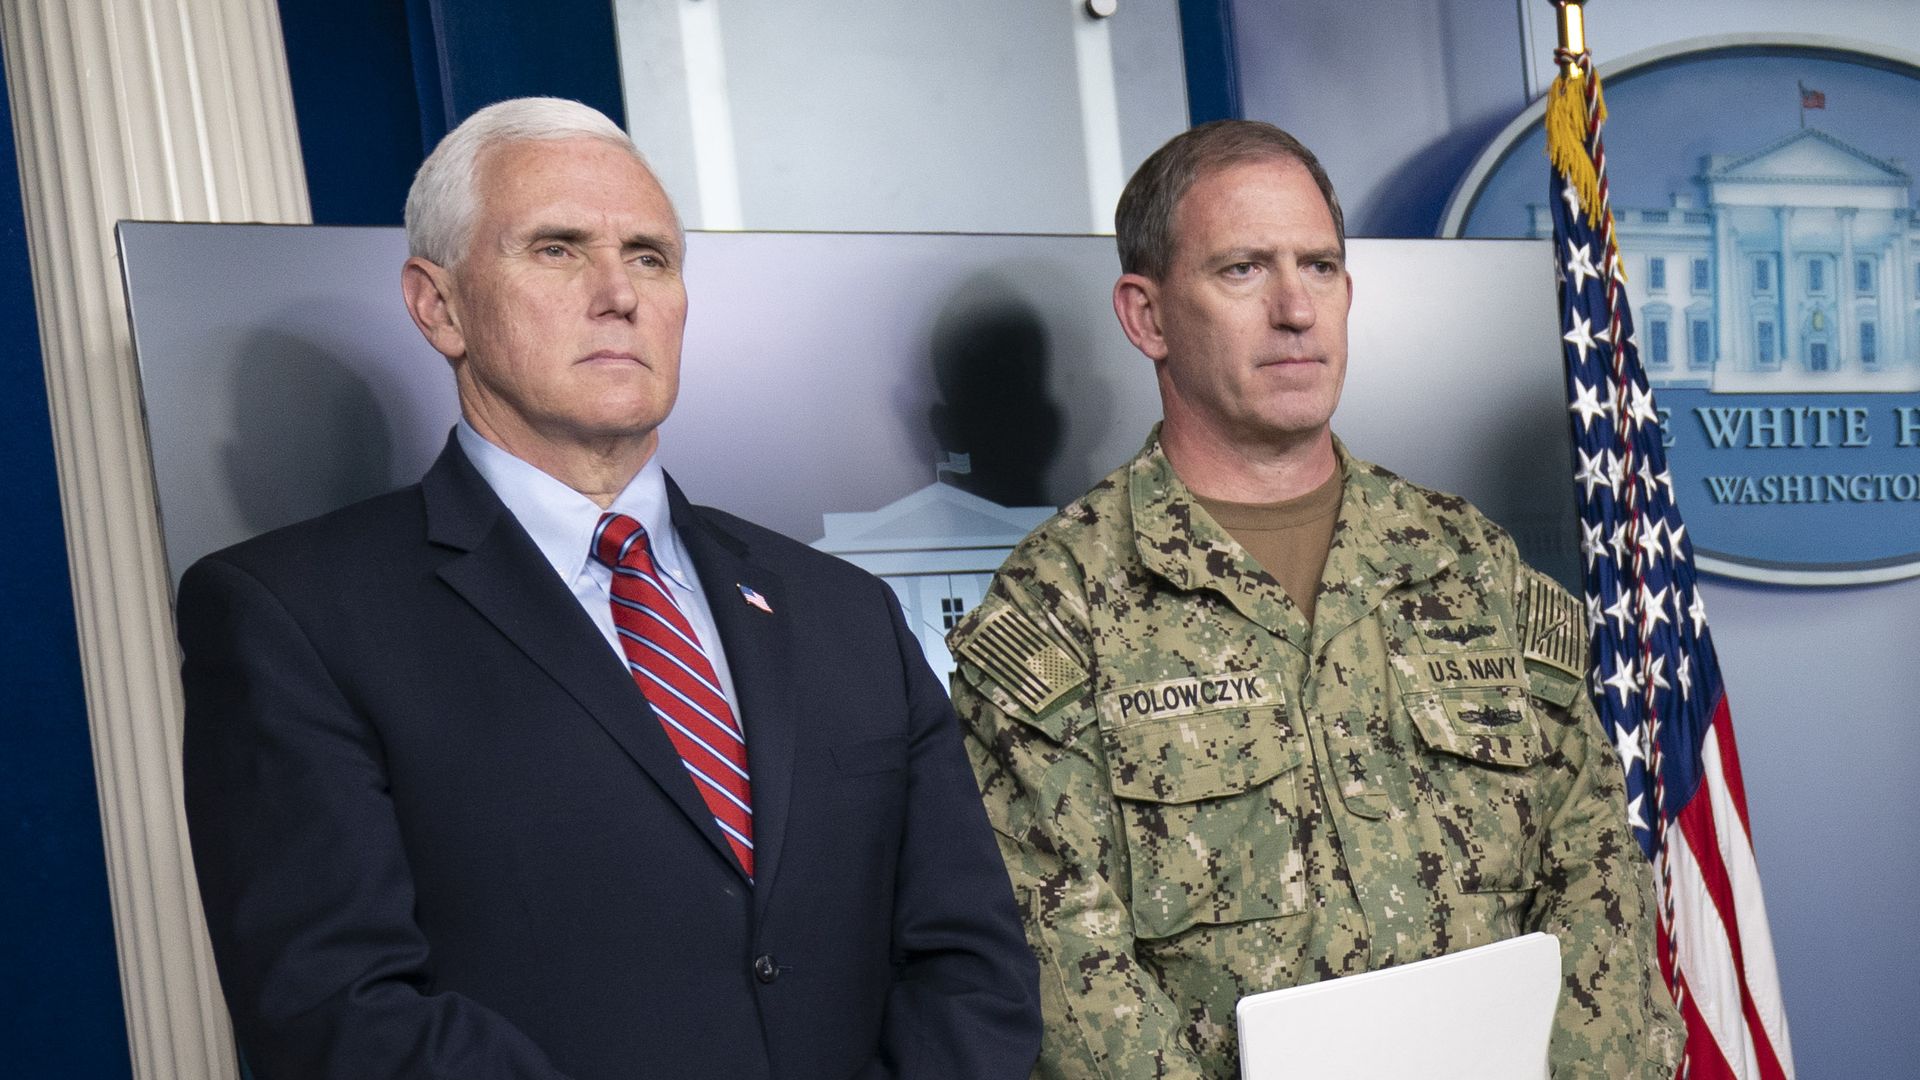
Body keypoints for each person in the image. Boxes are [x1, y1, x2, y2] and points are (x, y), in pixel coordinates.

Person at [180, 97, 1039, 1080]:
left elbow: (972, 962)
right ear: (438, 304)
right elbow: (337, 1012)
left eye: (649, 256)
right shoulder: (292, 615)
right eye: (556, 248)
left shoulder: (842, 610)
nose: (618, 293)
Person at [946, 120, 1681, 1079]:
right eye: (1244, 270)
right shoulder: (1060, 606)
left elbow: (1595, 877)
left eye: (1322, 267)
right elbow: (1060, 963)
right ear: (1148, 316)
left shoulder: (1470, 562)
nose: (1296, 308)